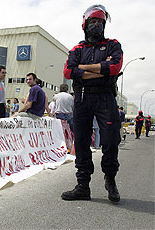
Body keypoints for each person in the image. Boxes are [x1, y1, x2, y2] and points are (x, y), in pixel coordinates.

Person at [62, 5, 123, 203]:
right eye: (93, 22)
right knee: (81, 141)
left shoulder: (113, 44)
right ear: (85, 25)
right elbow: (69, 72)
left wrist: (84, 69)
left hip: (105, 98)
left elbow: (114, 67)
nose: (96, 25)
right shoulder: (77, 48)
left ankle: (110, 180)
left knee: (111, 140)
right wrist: (100, 69)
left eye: (100, 22)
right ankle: (82, 185)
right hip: (81, 98)